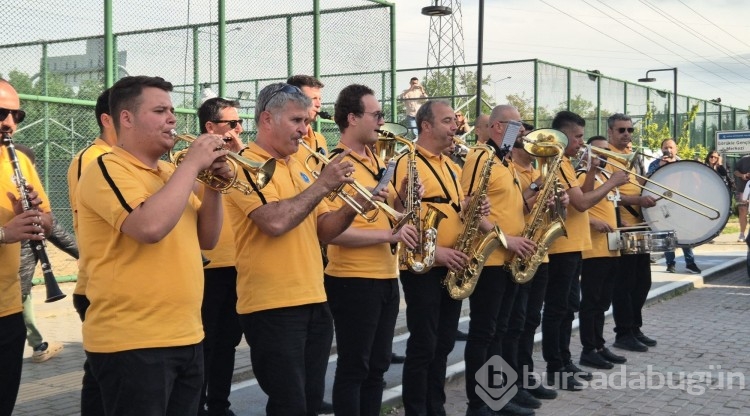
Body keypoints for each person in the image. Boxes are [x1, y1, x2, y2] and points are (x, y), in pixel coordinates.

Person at [76, 75, 230, 415]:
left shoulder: (167, 173)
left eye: (172, 110)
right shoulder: (106, 166)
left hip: (186, 336)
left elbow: (208, 239)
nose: (172, 119)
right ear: (126, 119)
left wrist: (216, 187)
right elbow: (149, 227)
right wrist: (191, 165)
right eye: (160, 110)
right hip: (134, 342)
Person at [225, 82, 360, 415]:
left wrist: (354, 205)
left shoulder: (301, 163)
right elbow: (274, 223)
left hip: (314, 299)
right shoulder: (243, 166)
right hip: (272, 306)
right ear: (268, 120)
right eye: (297, 121)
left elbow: (324, 231)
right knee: (290, 405)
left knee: (310, 402)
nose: (304, 130)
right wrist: (323, 184)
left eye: (306, 122)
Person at [323, 84, 418, 416]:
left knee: (377, 366)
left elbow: (391, 216)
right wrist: (390, 237)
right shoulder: (338, 165)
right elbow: (335, 234)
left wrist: (404, 197)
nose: (382, 121)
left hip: (385, 277)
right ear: (352, 118)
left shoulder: (378, 161)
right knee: (355, 367)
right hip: (353, 279)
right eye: (376, 115)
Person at [393, 100, 470, 416]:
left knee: (444, 345)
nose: (455, 127)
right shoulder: (407, 161)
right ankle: (416, 410)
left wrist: (474, 210)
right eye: (448, 121)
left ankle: (435, 406)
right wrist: (436, 252)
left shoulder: (452, 165)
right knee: (424, 345)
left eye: (454, 121)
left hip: (451, 266)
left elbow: (457, 208)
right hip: (422, 266)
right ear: (426, 125)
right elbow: (400, 218)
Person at [541, 111, 628, 391]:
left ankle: (565, 361)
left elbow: (582, 195)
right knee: (558, 310)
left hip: (574, 245)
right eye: (578, 136)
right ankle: (557, 366)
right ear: (563, 136)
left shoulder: (566, 162)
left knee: (568, 309)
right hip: (561, 246)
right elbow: (581, 204)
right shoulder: (557, 161)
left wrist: (592, 171)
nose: (582, 142)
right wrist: (613, 181)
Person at [461, 104, 538, 416]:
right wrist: (507, 238)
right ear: (497, 127)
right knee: (484, 332)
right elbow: (467, 204)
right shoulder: (481, 156)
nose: (522, 131)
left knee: (502, 330)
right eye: (516, 125)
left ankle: (499, 396)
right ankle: (478, 403)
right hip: (490, 258)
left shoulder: (504, 162)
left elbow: (511, 208)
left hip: (509, 258)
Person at [0, 79, 53, 416]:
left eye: (16, 114)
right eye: (1, 113)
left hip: (7, 308)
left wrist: (32, 216)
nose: (10, 123)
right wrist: (3, 234)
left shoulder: (17, 158)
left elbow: (47, 221)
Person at [66, 88, 115, 416]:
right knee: (104, 377)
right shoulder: (95, 159)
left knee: (101, 377)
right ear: (111, 119)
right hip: (101, 284)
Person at [196, 97, 245, 416]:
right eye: (232, 124)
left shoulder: (243, 159)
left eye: (240, 123)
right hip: (208, 267)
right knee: (205, 344)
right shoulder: (190, 161)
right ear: (210, 128)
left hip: (239, 265)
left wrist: (238, 157)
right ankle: (196, 405)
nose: (239, 129)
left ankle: (220, 406)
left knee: (228, 343)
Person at [606, 113, 658, 353]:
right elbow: (606, 194)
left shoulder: (634, 157)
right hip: (621, 227)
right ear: (610, 132)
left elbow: (639, 186)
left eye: (630, 130)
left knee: (642, 282)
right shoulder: (605, 157)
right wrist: (638, 199)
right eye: (621, 130)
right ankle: (623, 332)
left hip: (640, 226)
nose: (626, 134)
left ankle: (635, 327)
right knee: (624, 284)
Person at [576, 135, 628, 370]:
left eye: (608, 151)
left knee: (603, 302)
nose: (606, 155)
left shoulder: (605, 176)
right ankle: (589, 349)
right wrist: (594, 221)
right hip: (593, 250)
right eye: (599, 151)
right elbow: (576, 207)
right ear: (587, 153)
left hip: (611, 248)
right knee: (592, 302)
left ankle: (598, 345)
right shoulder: (581, 176)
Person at [15, 144, 70, 364]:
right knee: (21, 305)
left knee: (23, 305)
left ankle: (37, 344)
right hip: (16, 274)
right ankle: (38, 346)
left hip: (16, 274)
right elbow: (57, 232)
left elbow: (49, 224)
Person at [647, 139, 700, 274]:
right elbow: (647, 180)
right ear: (661, 149)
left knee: (684, 232)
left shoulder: (683, 164)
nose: (668, 150)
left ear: (676, 149)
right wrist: (660, 166)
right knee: (667, 234)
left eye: (671, 147)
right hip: (663, 203)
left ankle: (690, 262)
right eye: (665, 147)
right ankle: (670, 263)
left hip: (680, 203)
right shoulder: (655, 164)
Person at [734, 154, 750, 242]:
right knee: (742, 210)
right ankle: (742, 233)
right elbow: (735, 171)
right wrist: (742, 175)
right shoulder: (744, 159)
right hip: (742, 189)